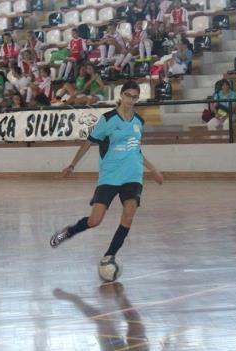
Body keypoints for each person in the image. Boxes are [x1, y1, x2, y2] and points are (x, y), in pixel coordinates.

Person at [49, 81, 163, 269]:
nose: (131, 100)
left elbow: (136, 150)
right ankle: (69, 232)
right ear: (121, 95)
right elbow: (88, 143)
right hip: (110, 176)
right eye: (128, 95)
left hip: (133, 175)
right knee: (95, 220)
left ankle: (109, 255)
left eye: (135, 97)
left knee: (128, 215)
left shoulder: (139, 122)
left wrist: (153, 170)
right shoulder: (108, 119)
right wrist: (72, 165)